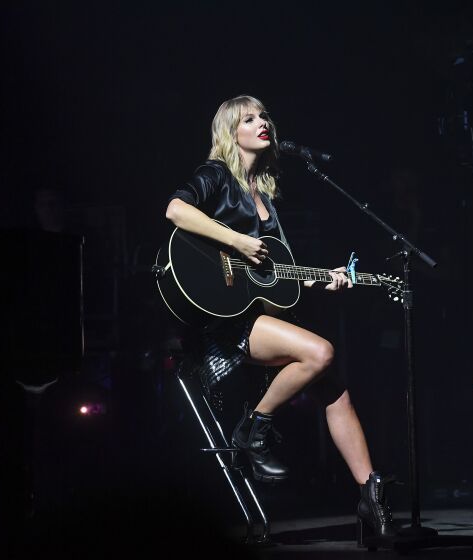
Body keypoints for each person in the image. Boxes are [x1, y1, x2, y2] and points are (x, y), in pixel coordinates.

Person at [164, 95, 395, 540]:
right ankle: (252, 429)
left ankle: (370, 495)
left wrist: (322, 280)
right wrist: (237, 241)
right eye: (248, 118)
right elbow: (175, 210)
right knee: (320, 352)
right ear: (231, 132)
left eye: (264, 115)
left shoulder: (265, 193)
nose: (261, 122)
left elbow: (275, 280)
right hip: (222, 324)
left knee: (336, 389)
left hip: (254, 315)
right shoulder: (216, 175)